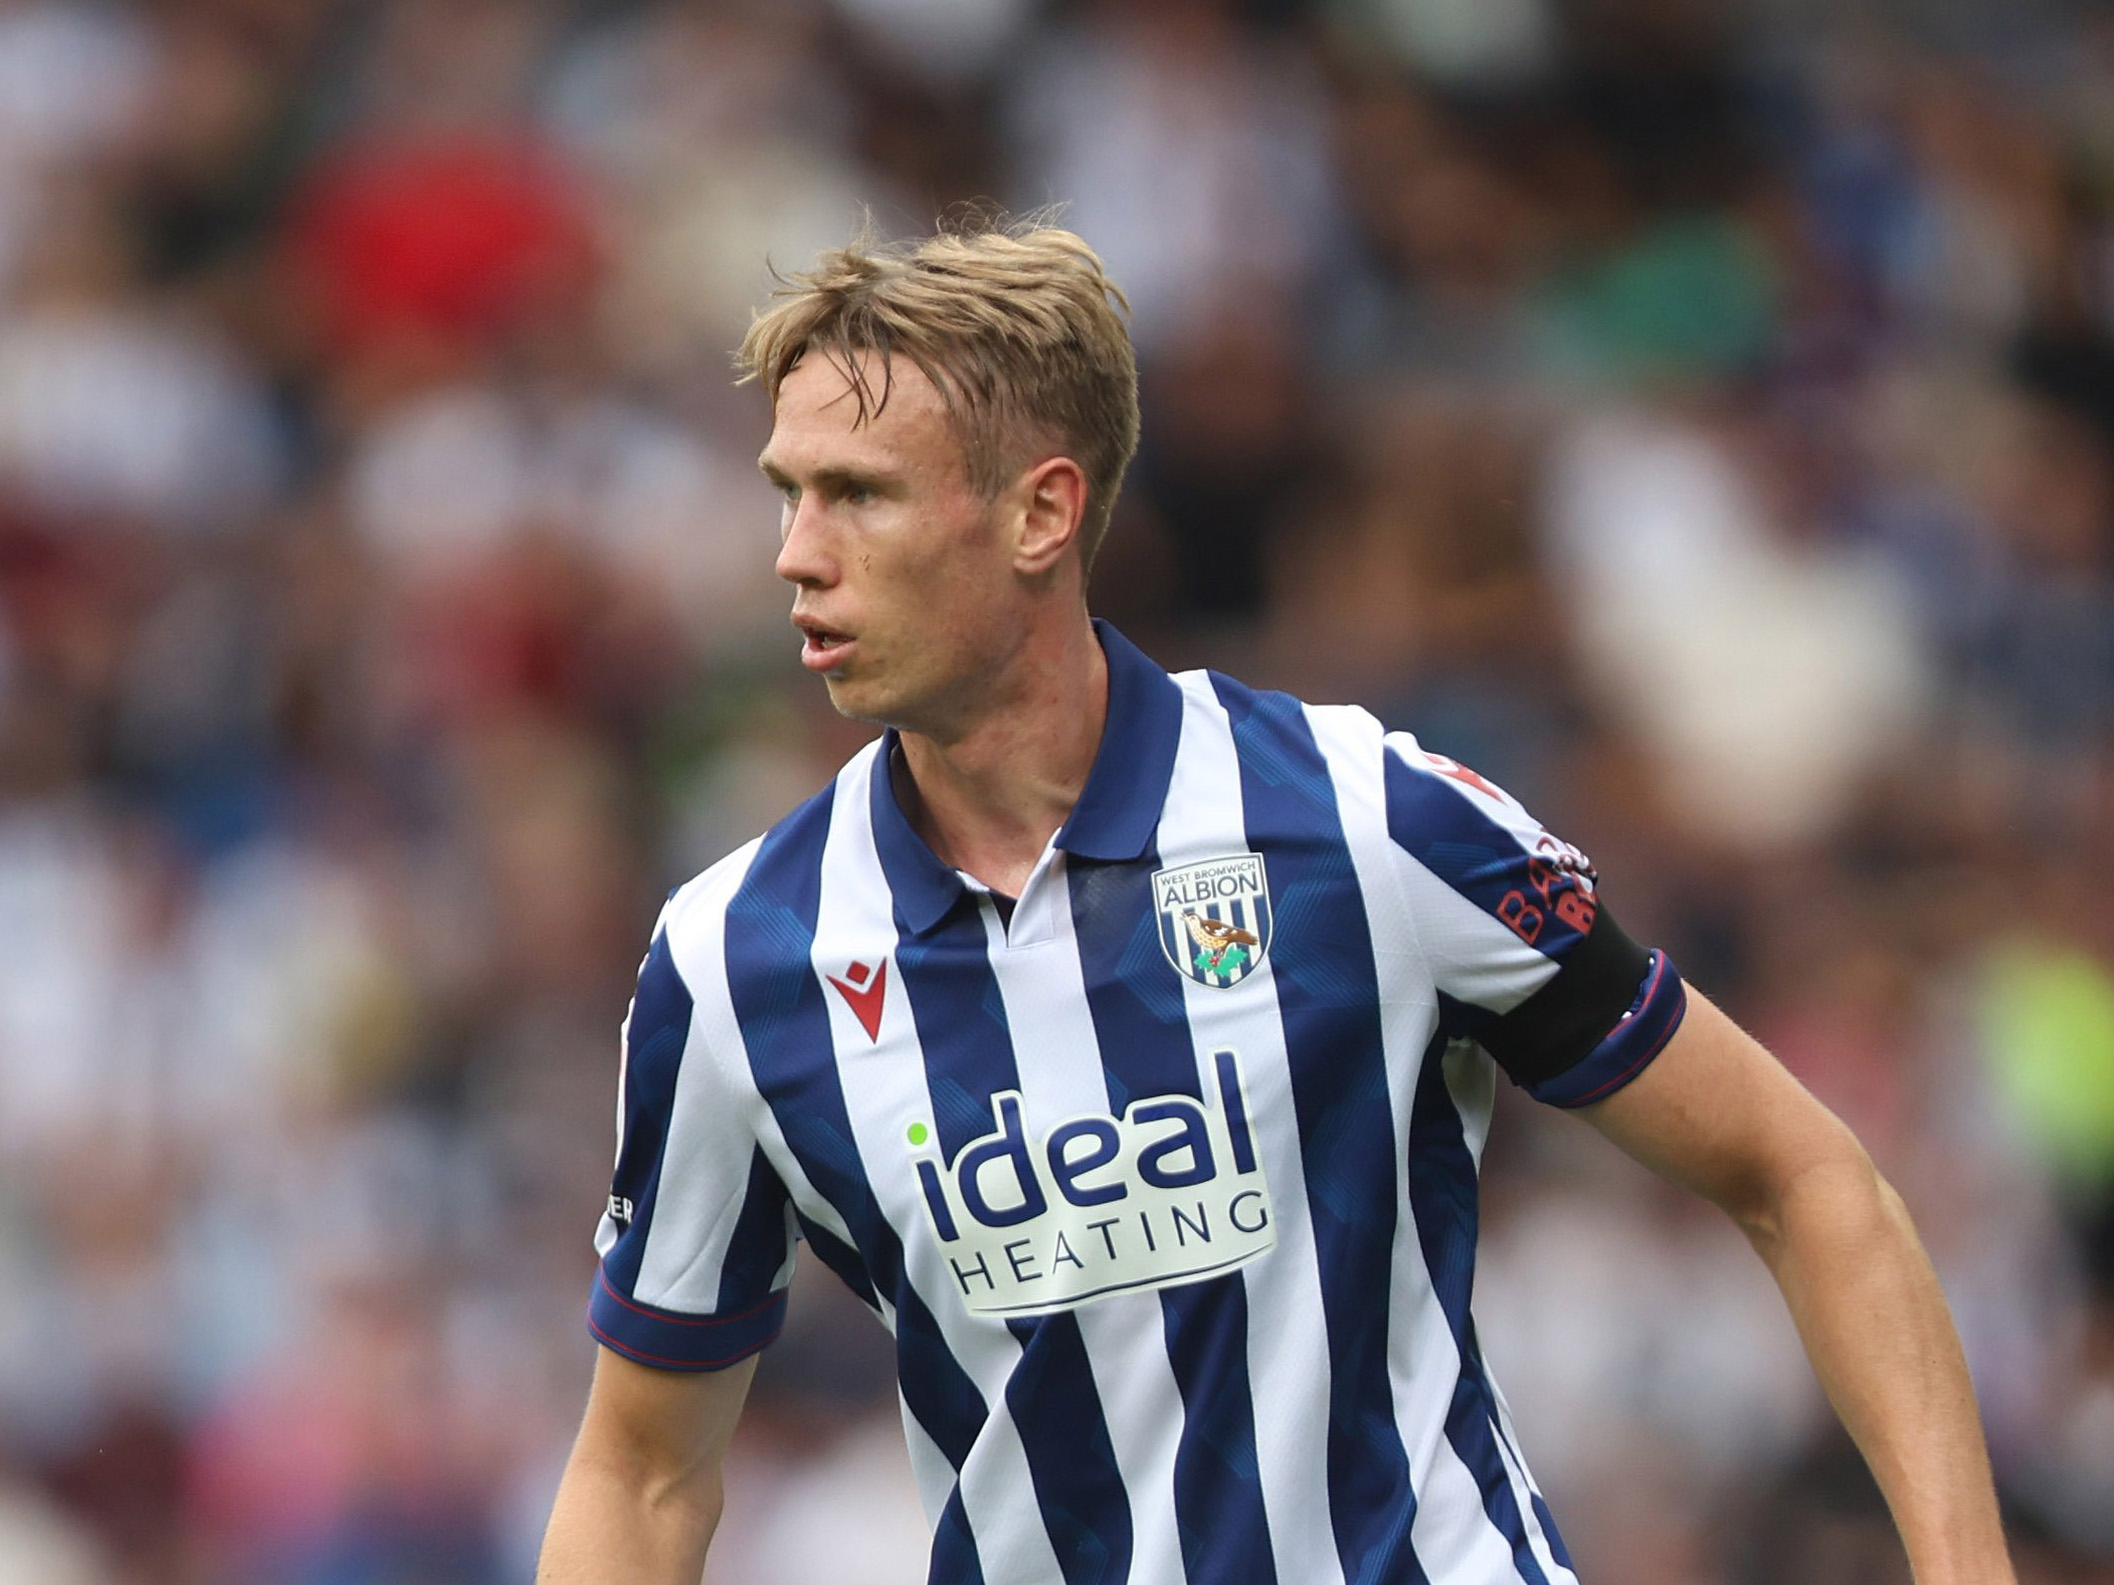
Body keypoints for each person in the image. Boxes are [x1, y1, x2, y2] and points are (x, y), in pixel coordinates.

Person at [535, 219, 2015, 1585]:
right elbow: (644, 1470)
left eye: (856, 493)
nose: (794, 552)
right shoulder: (734, 960)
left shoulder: (1363, 818)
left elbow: (1803, 1177)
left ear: (1041, 512)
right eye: (788, 493)